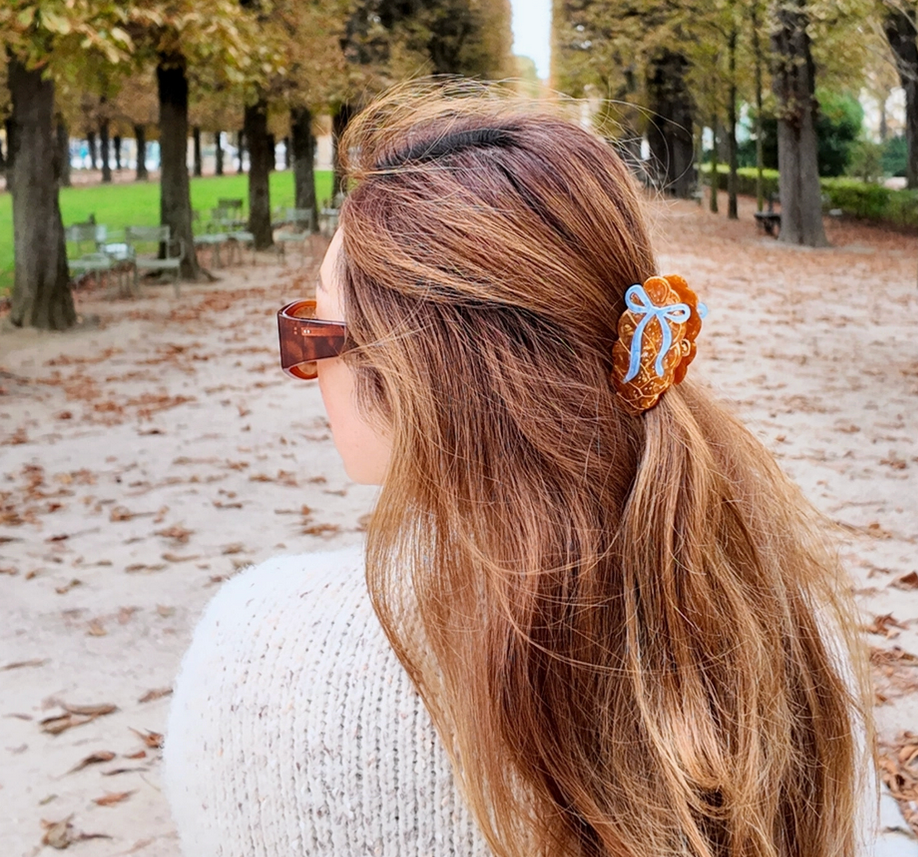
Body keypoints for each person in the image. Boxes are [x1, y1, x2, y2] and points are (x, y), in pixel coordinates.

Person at [163, 85, 875, 857]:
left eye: (312, 328)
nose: (301, 361)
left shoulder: (259, 645)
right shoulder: (772, 614)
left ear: (416, 372)